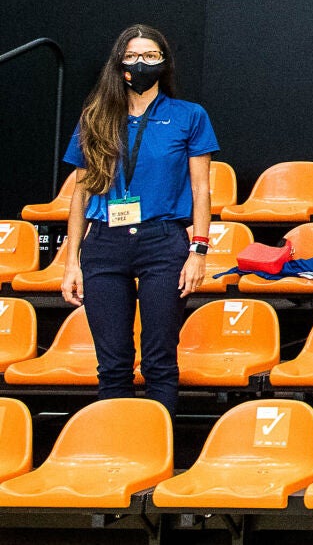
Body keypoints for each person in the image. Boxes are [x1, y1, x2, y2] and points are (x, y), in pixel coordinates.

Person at [59, 25, 217, 412]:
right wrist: (71, 261)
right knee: (112, 365)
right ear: (118, 63)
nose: (140, 63)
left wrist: (198, 251)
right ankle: (119, 441)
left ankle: (158, 441)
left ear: (164, 63)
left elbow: (201, 189)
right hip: (105, 243)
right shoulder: (96, 116)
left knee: (159, 362)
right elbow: (80, 193)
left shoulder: (189, 116)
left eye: (150, 56)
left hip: (163, 242)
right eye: (131, 56)